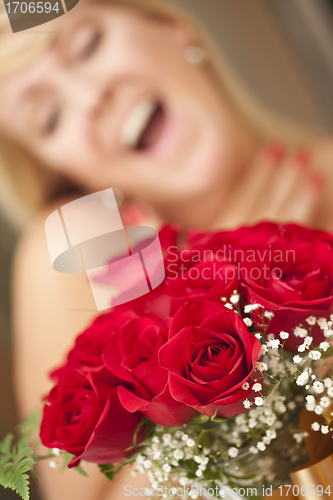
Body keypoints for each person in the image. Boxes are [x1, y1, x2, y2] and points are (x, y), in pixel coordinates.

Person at [0, 1, 332, 499]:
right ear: (66, 172)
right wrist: (232, 281)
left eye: (87, 45)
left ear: (169, 25)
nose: (91, 98)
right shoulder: (81, 254)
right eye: (50, 117)